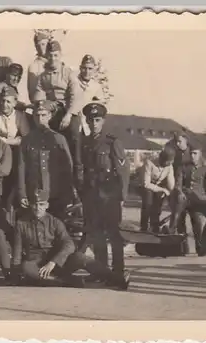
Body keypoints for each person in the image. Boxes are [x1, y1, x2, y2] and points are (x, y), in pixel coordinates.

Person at [11, 189, 130, 290]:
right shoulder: (21, 224)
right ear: (30, 205)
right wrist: (14, 275)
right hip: (37, 267)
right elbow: (17, 251)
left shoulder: (55, 222)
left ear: (47, 205)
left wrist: (53, 262)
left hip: (58, 264)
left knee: (80, 257)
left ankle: (116, 278)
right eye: (35, 204)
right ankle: (66, 282)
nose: (38, 208)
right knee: (25, 267)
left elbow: (69, 244)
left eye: (41, 204)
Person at [76, 103, 130, 283]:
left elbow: (123, 171)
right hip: (91, 196)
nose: (93, 124)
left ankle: (118, 271)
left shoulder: (112, 142)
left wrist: (122, 196)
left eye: (97, 120)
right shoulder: (84, 142)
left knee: (114, 234)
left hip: (110, 196)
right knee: (96, 234)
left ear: (103, 121)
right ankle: (101, 272)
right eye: (90, 120)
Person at [32, 41, 82, 182]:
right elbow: (39, 94)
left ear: (60, 55)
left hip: (68, 109)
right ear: (47, 56)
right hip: (52, 110)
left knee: (73, 135)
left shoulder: (68, 73)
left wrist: (69, 115)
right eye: (50, 55)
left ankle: (77, 175)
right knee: (46, 137)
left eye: (55, 55)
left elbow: (75, 96)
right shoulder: (43, 76)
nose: (53, 58)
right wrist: (41, 104)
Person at [18, 100, 74, 220]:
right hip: (34, 192)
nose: (40, 119)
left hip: (55, 192)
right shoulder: (27, 140)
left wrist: (67, 193)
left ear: (50, 116)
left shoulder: (59, 139)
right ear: (33, 117)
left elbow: (68, 167)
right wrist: (22, 193)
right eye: (37, 115)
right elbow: (21, 168)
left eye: (43, 115)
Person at [0, 86, 31, 228]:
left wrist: (7, 141)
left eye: (9, 101)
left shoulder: (20, 116)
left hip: (16, 153)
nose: (5, 105)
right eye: (3, 101)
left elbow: (25, 138)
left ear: (15, 103)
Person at [172, 144, 206, 256]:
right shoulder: (183, 167)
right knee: (181, 219)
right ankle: (182, 247)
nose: (193, 156)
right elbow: (178, 184)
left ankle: (203, 245)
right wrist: (181, 193)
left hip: (199, 199)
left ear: (200, 154)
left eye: (195, 153)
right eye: (191, 153)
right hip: (185, 198)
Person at [139, 146, 176, 233]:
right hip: (147, 186)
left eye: (170, 163)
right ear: (161, 159)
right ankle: (143, 227)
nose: (167, 164)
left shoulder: (169, 166)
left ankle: (154, 226)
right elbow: (146, 184)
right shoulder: (150, 162)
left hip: (159, 188)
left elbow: (171, 186)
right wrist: (163, 190)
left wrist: (168, 191)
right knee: (148, 203)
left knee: (157, 206)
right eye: (166, 162)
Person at [27, 31, 51, 104]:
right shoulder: (34, 66)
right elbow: (33, 93)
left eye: (43, 44)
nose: (41, 48)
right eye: (38, 46)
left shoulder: (57, 63)